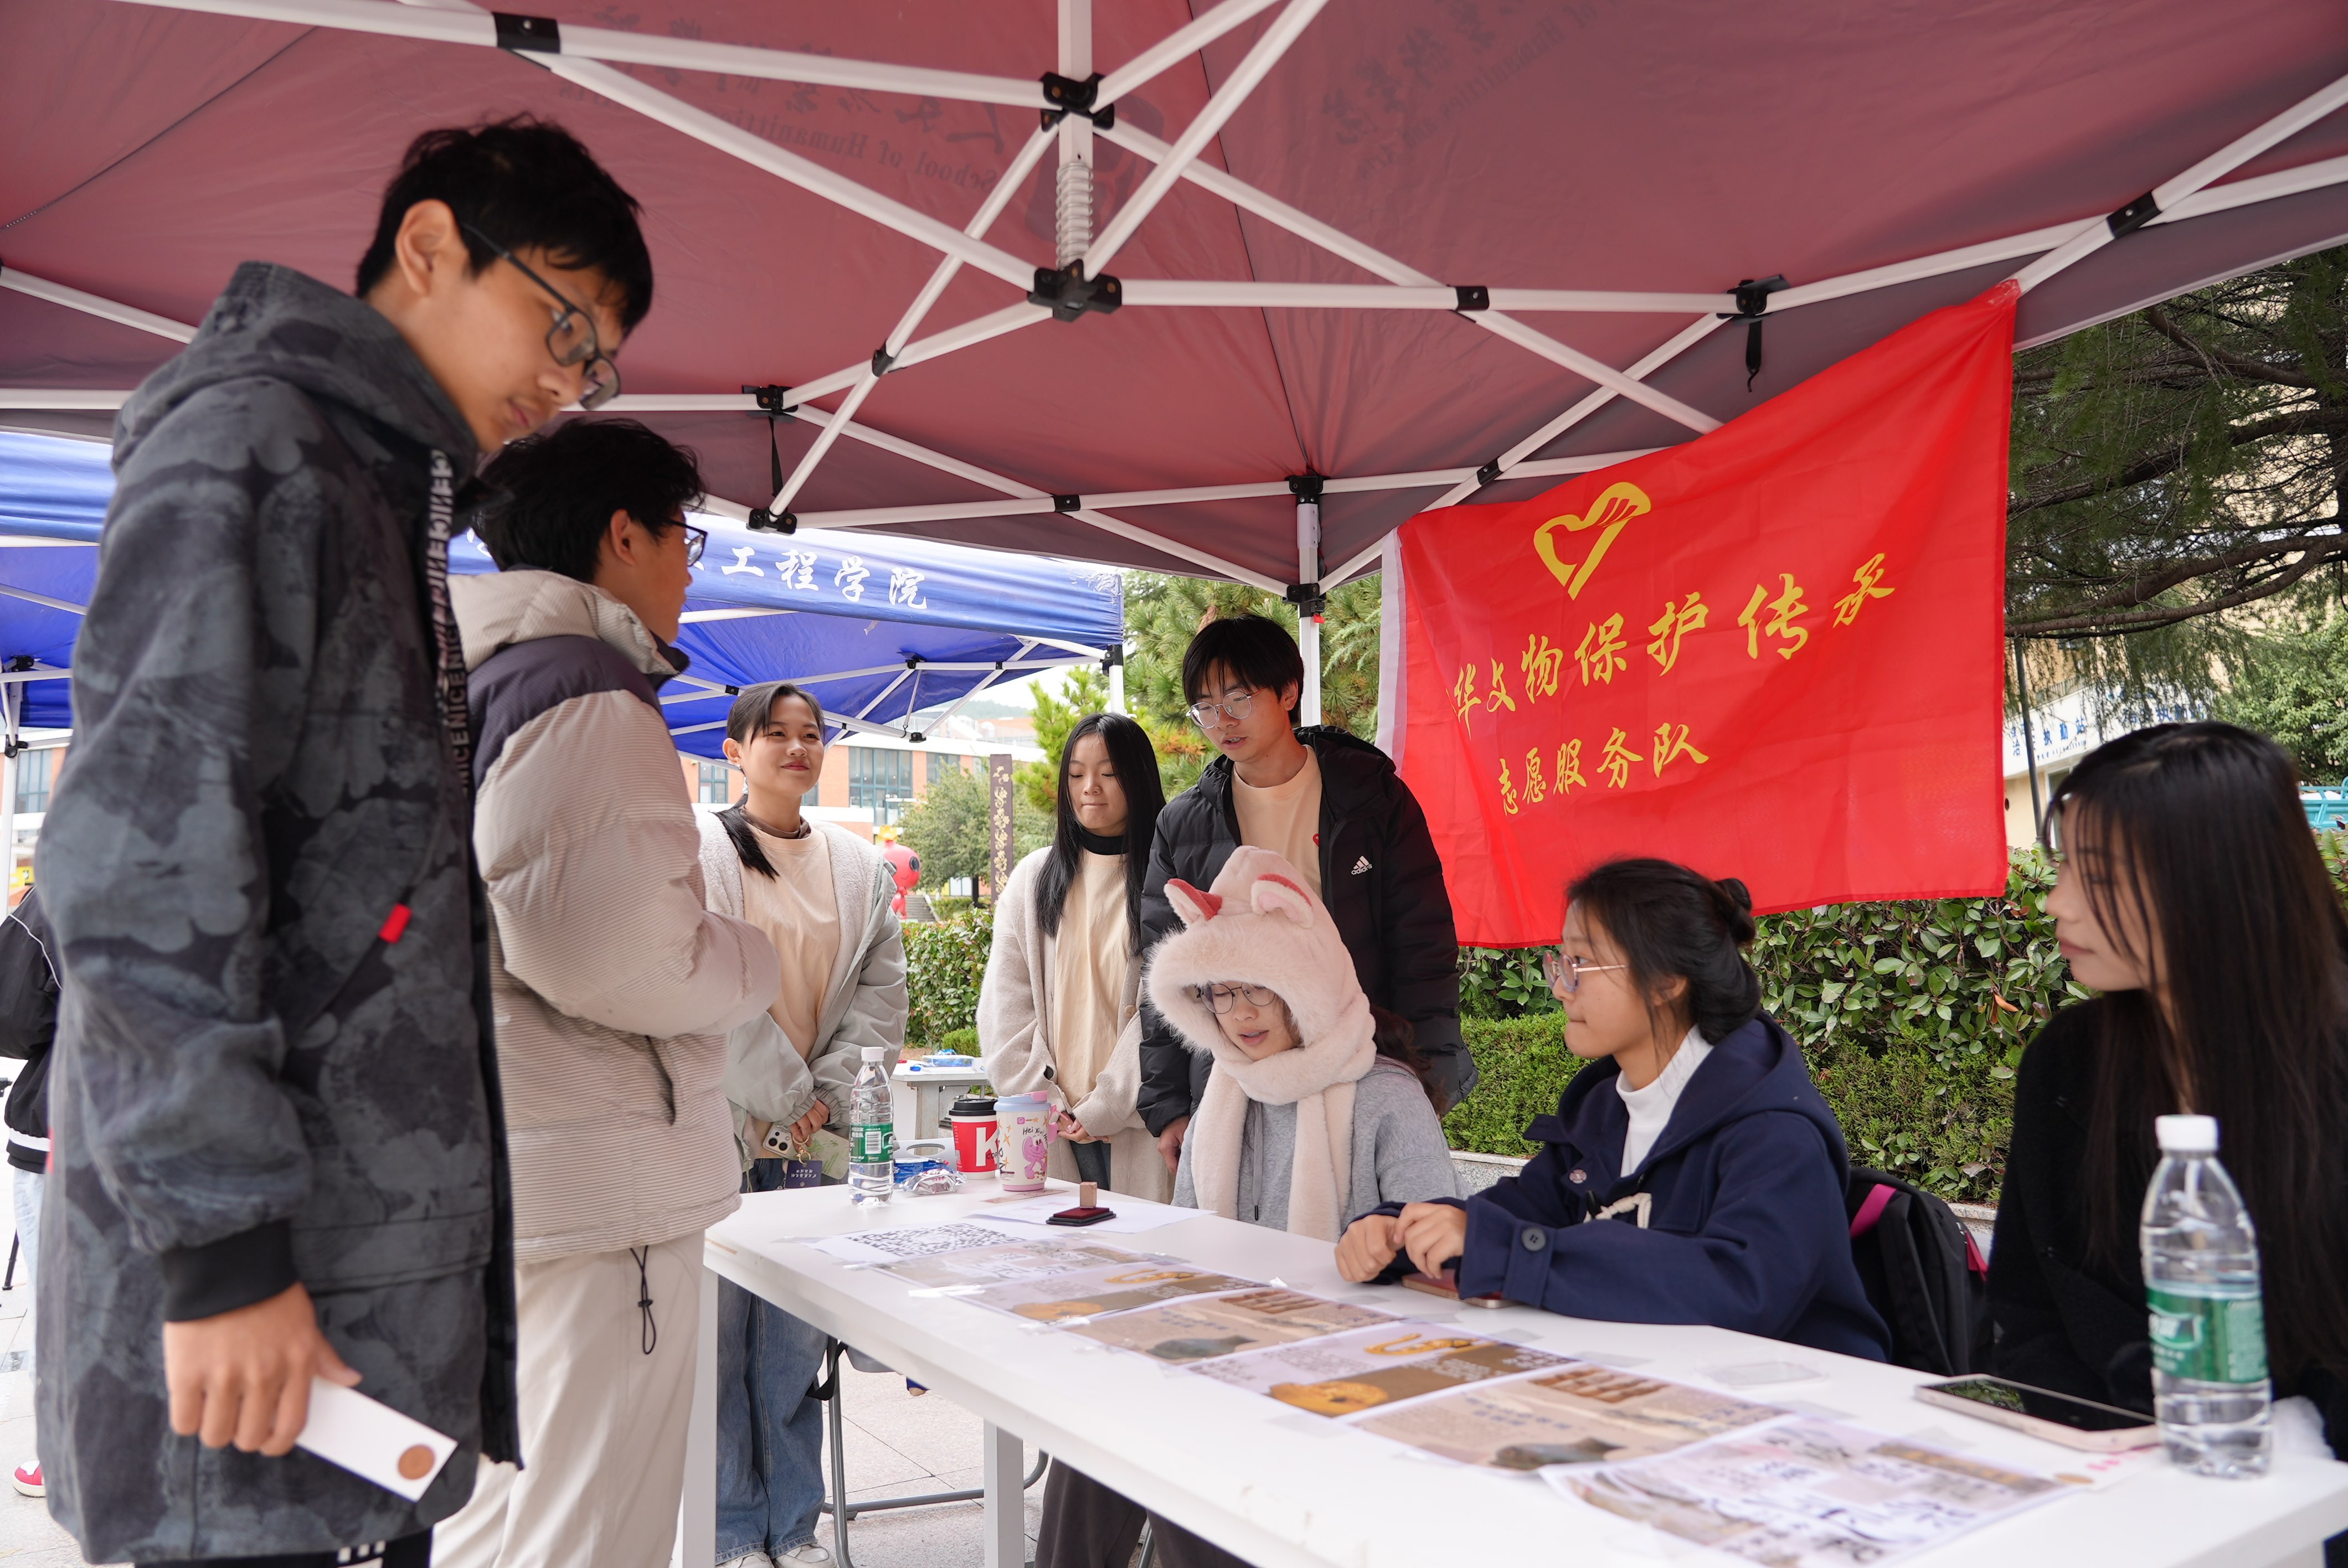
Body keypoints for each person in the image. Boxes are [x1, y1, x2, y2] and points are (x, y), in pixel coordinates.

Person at [34, 115, 649, 1567]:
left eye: (598, 362)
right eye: (563, 325)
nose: (568, 384)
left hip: (341, 1307)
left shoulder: (380, 486)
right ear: (429, 246)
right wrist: (222, 1248)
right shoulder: (257, 445)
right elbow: (139, 863)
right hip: (254, 1322)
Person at [431, 418, 779, 1567]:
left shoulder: (475, 673)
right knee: (587, 1529)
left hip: (512, 1166)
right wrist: (756, 960)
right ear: (622, 535)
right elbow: (616, 955)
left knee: (498, 1519)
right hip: (595, 1186)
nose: (690, 567)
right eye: (684, 537)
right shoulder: (583, 688)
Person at [1034, 847, 1458, 1568]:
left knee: (1182, 1449)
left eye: (1259, 989)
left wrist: (1377, 1248)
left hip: (1346, 1359)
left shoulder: (1387, 1097)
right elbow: (1187, 1247)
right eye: (1222, 994)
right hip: (1228, 1344)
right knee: (1099, 1416)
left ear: (1307, 984)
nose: (1239, 1015)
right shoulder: (1226, 1094)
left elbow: (1438, 1262)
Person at [1338, 858, 1889, 1361]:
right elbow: (1520, 1215)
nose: (1561, 989)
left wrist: (1497, 1247)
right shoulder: (1604, 1110)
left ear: (1666, 981)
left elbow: (1740, 1289)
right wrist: (1400, 1232)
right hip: (1654, 1381)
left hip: (1801, 1407)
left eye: (1581, 963)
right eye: (1561, 961)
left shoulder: (1775, 1130)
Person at [1990, 723, 2348, 1473]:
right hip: (2119, 1478)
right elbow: (2027, 1313)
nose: (2056, 904)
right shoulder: (2068, 1064)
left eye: (2099, 879)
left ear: (2219, 884)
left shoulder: (2328, 1066)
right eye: (2062, 869)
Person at [696, 682, 907, 1568]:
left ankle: (794, 1525)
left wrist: (824, 1097)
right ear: (735, 751)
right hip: (721, 1127)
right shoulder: (701, 850)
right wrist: (789, 1096)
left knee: (792, 1345)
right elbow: (707, 984)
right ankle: (732, 1531)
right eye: (774, 734)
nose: (796, 747)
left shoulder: (857, 866)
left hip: (815, 1139)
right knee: (717, 1344)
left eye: (810, 733)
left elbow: (880, 998)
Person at [1137, 614, 1467, 1177]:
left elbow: (1422, 945)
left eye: (1238, 699)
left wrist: (1428, 1073)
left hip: (1359, 1064)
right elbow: (1163, 965)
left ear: (1288, 692)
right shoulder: (1183, 824)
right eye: (1206, 707)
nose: (1222, 721)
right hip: (1238, 1080)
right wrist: (1168, 1105)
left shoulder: (1373, 798)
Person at [980, 713, 1171, 1201]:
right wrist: (1045, 1101)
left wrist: (1108, 1106)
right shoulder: (1033, 881)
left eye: (1109, 773)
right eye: (1076, 774)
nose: (1091, 788)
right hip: (1049, 1128)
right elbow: (1005, 1009)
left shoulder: (1166, 879)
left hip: (1140, 1124)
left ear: (1138, 778)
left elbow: (1168, 1008)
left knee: (1140, 1247)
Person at [0, 885, 56, 1500]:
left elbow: (13, 1017)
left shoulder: (63, 887)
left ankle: (63, 1456)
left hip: (69, 1127)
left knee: (62, 1299)